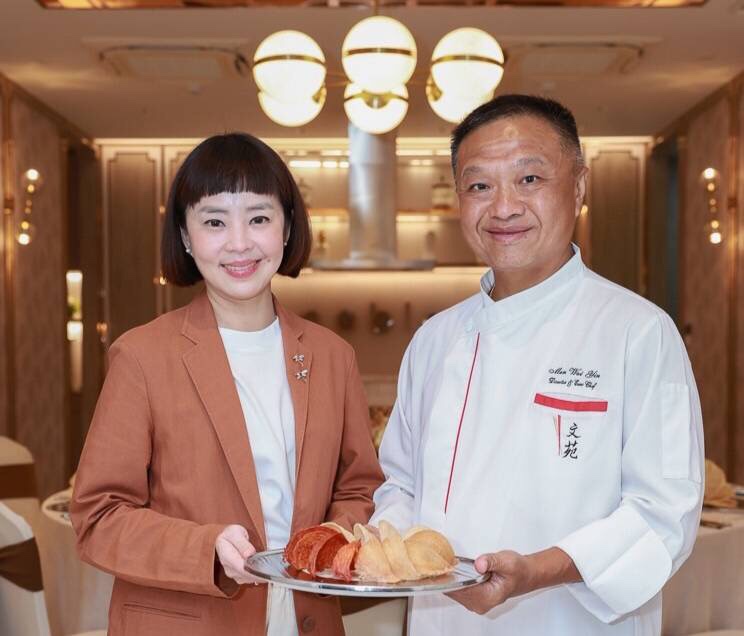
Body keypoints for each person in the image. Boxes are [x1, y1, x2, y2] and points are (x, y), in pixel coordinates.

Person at [372, 95, 704, 635]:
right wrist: (382, 545)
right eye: (479, 186)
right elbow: (401, 485)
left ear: (578, 187)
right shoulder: (434, 340)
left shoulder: (638, 331)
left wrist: (538, 571)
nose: (504, 207)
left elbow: (664, 512)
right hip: (444, 623)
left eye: (529, 179)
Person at [71, 133, 384, 636]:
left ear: (287, 228)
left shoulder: (332, 356)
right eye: (214, 222)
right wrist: (205, 549)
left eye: (259, 218)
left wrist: (329, 540)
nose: (239, 243)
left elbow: (359, 487)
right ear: (186, 235)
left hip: (306, 618)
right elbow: (97, 519)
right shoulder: (142, 357)